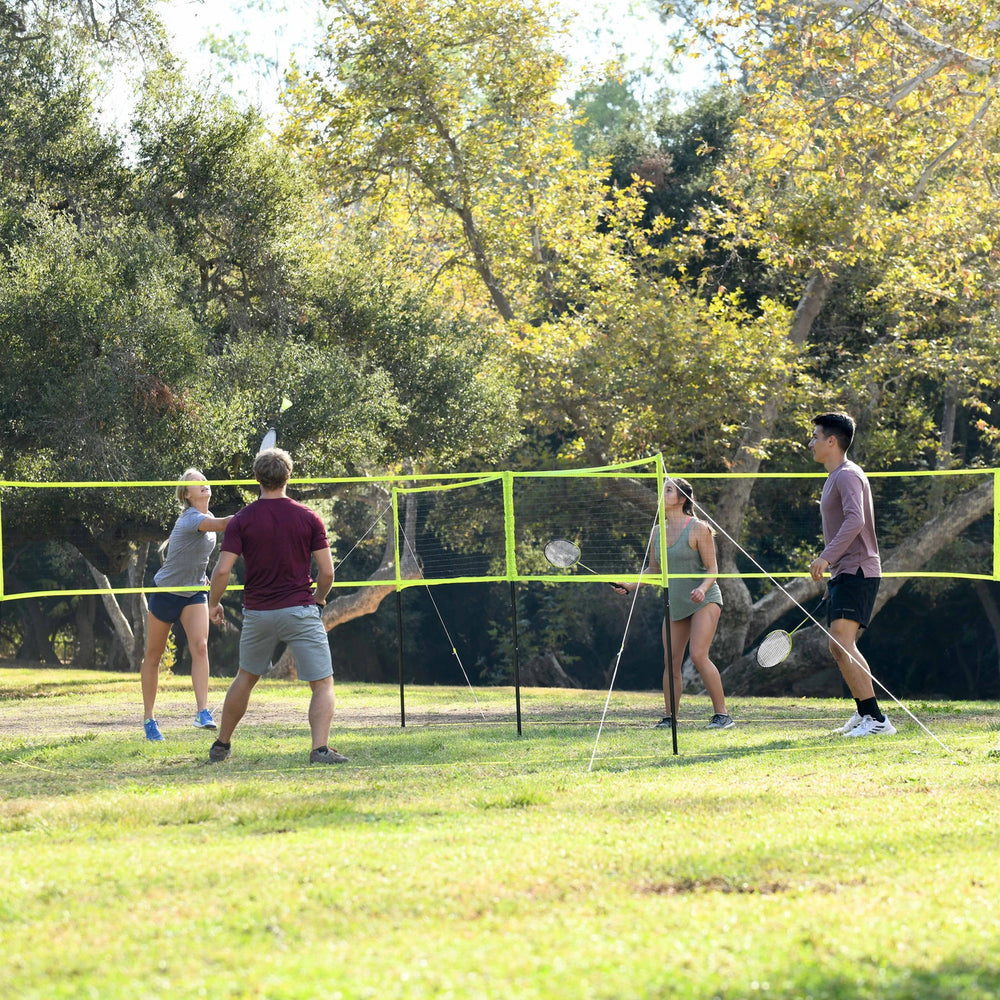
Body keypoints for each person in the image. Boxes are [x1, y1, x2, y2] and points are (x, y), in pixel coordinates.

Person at [206, 447, 346, 764]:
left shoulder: (242, 520)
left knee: (245, 678)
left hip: (258, 614)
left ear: (258, 478)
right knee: (322, 684)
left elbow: (223, 570)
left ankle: (221, 746)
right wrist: (319, 599)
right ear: (288, 476)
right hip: (300, 610)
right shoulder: (309, 518)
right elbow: (327, 572)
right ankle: (319, 750)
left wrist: (212, 603)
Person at [808, 411, 895, 737]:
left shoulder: (847, 475)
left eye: (815, 436)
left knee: (842, 643)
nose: (811, 442)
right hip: (846, 571)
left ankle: (878, 720)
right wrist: (834, 574)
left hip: (859, 569)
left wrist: (826, 558)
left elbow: (855, 520)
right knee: (838, 645)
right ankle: (864, 714)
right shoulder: (835, 476)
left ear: (832, 441)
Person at [622, 478, 733, 730]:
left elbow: (713, 568)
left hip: (705, 599)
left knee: (698, 654)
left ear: (681, 499)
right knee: (671, 662)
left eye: (668, 490)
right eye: (662, 489)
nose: (662, 493)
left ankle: (723, 716)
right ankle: (670, 717)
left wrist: (702, 589)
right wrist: (630, 585)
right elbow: (653, 570)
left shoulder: (698, 528)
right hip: (676, 603)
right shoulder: (656, 532)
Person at [142, 469, 232, 741]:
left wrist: (208, 592)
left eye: (205, 481)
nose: (204, 485)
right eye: (197, 483)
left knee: (201, 646)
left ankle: (202, 712)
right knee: (154, 656)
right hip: (167, 592)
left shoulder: (208, 519)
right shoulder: (192, 518)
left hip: (194, 592)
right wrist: (254, 511)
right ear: (186, 494)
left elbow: (201, 556)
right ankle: (149, 719)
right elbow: (220, 525)